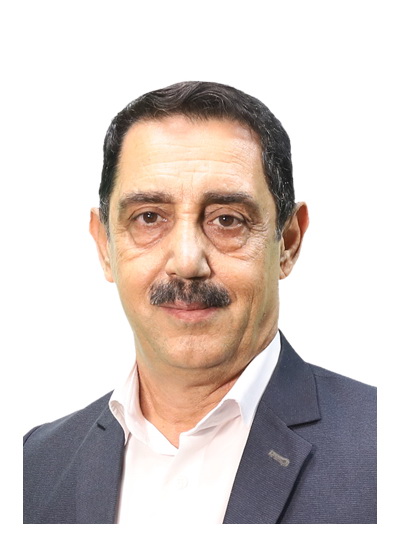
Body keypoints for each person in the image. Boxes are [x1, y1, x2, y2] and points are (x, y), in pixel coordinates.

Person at [23, 81, 376, 524]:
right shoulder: (31, 469)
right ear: (105, 246)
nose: (188, 262)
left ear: (287, 242)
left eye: (227, 220)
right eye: (149, 217)